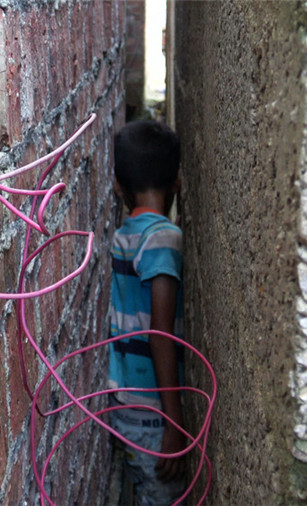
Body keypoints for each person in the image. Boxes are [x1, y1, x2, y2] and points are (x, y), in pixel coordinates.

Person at [108, 120, 186, 505]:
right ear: (177, 181)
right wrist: (174, 420)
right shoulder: (163, 239)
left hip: (124, 402)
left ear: (119, 185)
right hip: (153, 412)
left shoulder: (125, 234)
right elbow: (161, 333)